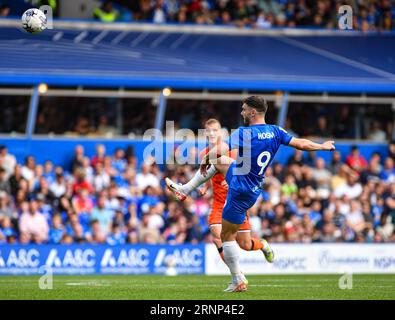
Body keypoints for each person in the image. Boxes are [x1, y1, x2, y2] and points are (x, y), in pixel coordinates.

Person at [166, 96, 335, 292]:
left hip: (239, 189)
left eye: (244, 109)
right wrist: (322, 146)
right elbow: (301, 144)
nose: (242, 112)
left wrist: (205, 157)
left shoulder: (245, 132)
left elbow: (221, 148)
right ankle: (184, 190)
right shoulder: (276, 131)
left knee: (226, 236)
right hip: (252, 185)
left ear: (253, 112)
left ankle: (238, 279)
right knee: (221, 163)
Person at [198, 119, 268, 272]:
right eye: (208, 130)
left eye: (214, 130)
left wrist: (232, 180)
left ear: (220, 132)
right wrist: (205, 187)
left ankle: (262, 245)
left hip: (236, 201)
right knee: (217, 236)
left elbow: (245, 170)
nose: (211, 133)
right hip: (218, 203)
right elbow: (207, 173)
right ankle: (237, 275)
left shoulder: (232, 150)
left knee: (245, 245)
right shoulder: (204, 154)